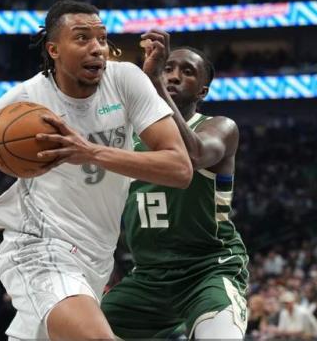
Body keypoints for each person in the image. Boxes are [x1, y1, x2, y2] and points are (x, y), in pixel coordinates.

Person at [0, 0, 192, 340]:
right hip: (38, 248)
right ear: (54, 49)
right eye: (82, 38)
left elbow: (180, 168)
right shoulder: (25, 101)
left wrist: (90, 152)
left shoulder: (126, 80)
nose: (97, 48)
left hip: (97, 257)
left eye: (102, 38)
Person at [101, 29, 249, 339]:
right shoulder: (125, 137)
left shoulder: (219, 127)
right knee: (66, 330)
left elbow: (192, 155)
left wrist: (154, 82)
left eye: (187, 71)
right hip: (148, 277)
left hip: (208, 269)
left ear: (202, 92)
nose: (173, 76)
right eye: (167, 68)